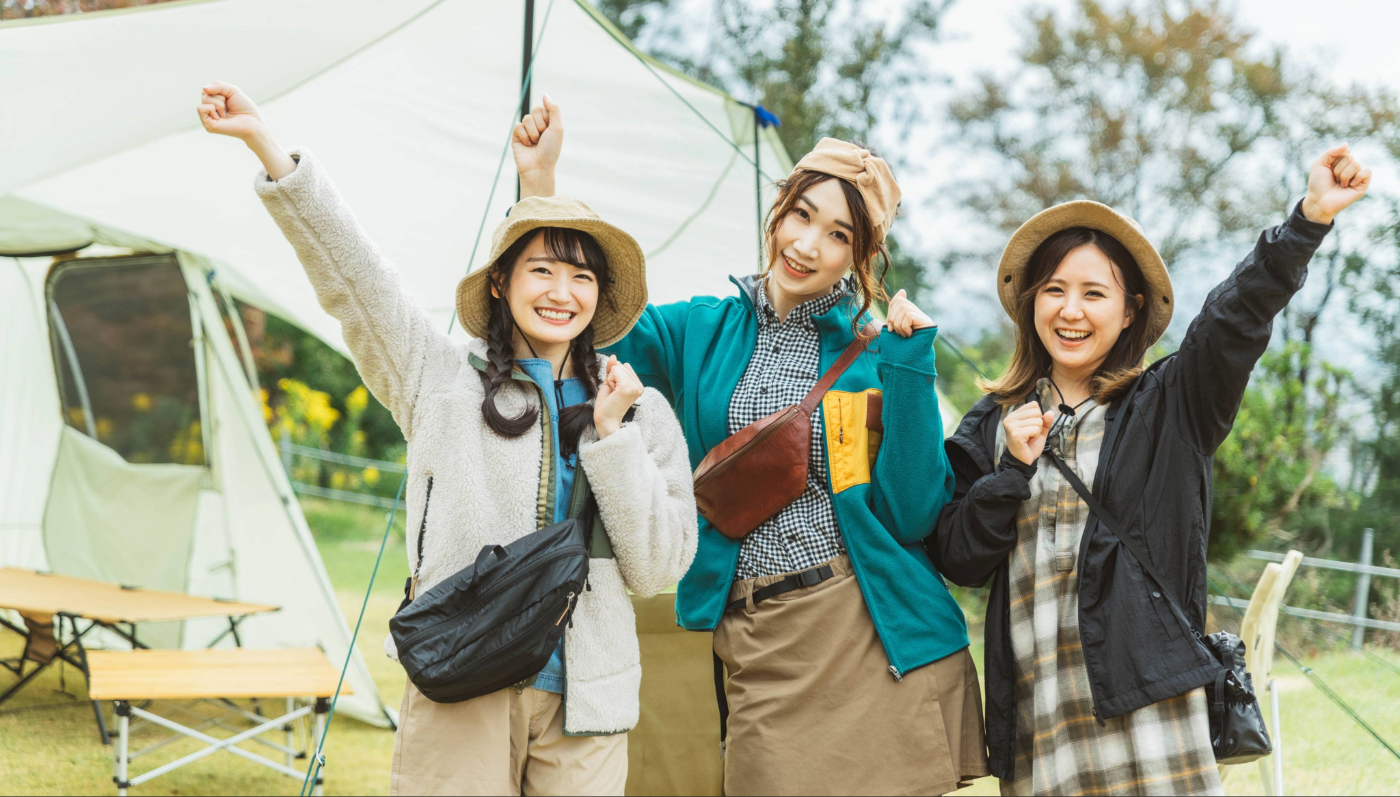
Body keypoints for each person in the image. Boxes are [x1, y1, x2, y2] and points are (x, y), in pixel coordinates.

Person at [197, 83, 698, 797]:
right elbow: (356, 281)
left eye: (581, 277)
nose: (561, 292)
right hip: (462, 677)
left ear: (598, 297)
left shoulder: (640, 412)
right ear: (500, 284)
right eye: (541, 270)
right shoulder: (439, 381)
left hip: (588, 704)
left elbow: (657, 569)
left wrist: (613, 437)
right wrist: (268, 148)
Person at [518, 113, 987, 796]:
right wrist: (540, 184)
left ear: (862, 256)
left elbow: (914, 512)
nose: (807, 245)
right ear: (779, 209)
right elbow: (576, 315)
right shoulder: (700, 329)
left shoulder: (880, 355)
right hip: (755, 629)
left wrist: (912, 366)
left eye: (839, 235)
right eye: (802, 215)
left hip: (865, 625)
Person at [929, 146, 1374, 795]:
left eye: (1094, 293)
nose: (1071, 310)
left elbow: (1234, 320)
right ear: (1030, 302)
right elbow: (959, 559)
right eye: (1054, 290)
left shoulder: (1171, 404)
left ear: (1131, 310)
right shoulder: (990, 425)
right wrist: (1010, 473)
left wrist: (1306, 222)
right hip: (1037, 714)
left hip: (1150, 708)